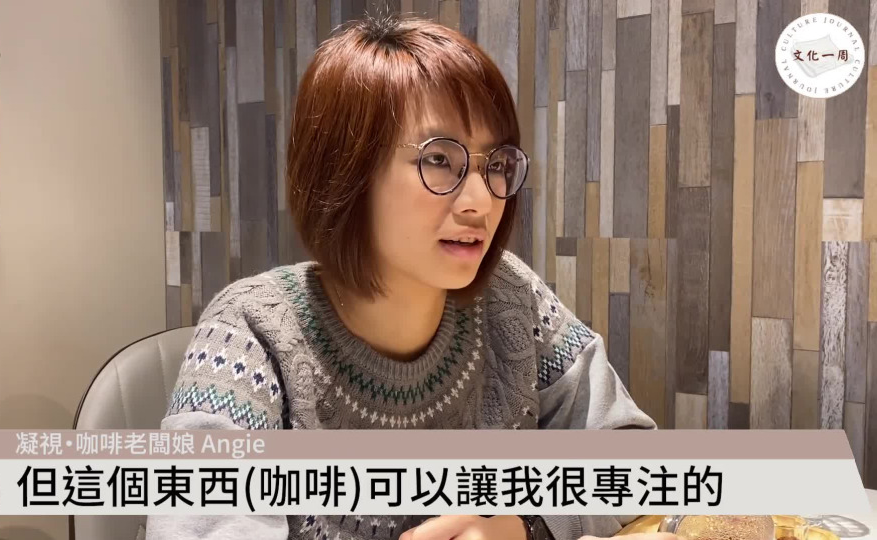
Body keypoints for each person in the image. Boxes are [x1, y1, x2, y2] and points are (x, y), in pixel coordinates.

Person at [146, 14, 676, 540]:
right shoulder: (248, 333)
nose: (480, 200)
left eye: (495, 164)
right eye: (439, 159)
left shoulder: (511, 298)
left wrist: (525, 524)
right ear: (347, 171)